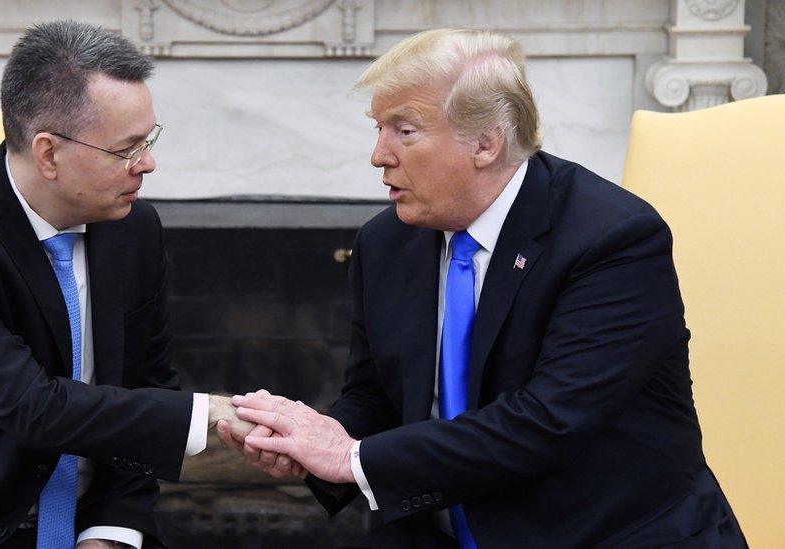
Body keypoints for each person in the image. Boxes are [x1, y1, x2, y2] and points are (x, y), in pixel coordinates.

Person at [230, 29, 747, 547]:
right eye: (378, 128)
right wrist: (307, 442)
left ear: (485, 143)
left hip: (606, 534)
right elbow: (377, 401)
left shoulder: (611, 239)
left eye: (403, 131)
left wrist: (348, 457)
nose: (378, 156)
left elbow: (545, 424)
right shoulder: (386, 243)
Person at [0, 21, 251, 549]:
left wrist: (111, 533)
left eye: (148, 140)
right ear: (49, 153)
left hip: (89, 523)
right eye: (126, 149)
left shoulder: (133, 230)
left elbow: (146, 387)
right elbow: (31, 407)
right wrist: (207, 412)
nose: (147, 164)